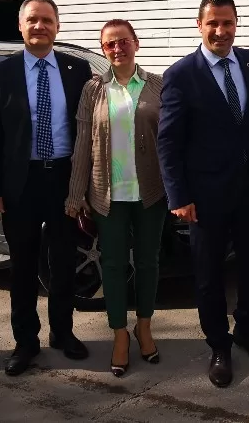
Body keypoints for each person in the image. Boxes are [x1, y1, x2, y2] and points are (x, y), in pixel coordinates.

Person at [157, 0, 249, 388]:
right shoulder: (180, 74)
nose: (221, 31)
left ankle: (247, 331)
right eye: (213, 23)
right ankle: (219, 345)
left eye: (227, 23)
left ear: (236, 23)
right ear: (199, 25)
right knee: (208, 274)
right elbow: (168, 141)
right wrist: (178, 196)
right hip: (204, 195)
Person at [0, 0, 93, 376]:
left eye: (46, 20)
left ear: (57, 26)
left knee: (63, 261)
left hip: (63, 178)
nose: (39, 26)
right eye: (32, 20)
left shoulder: (77, 70)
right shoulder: (0, 74)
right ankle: (25, 342)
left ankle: (63, 332)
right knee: (23, 266)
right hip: (20, 182)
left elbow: (89, 129)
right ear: (21, 26)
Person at [65, 19, 167, 377]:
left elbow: (171, 140)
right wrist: (75, 193)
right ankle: (120, 334)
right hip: (107, 194)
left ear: (136, 43)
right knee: (112, 265)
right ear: (103, 50)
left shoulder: (158, 85)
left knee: (149, 262)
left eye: (123, 41)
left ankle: (145, 327)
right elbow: (82, 143)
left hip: (151, 193)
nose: (117, 48)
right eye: (110, 44)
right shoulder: (93, 89)